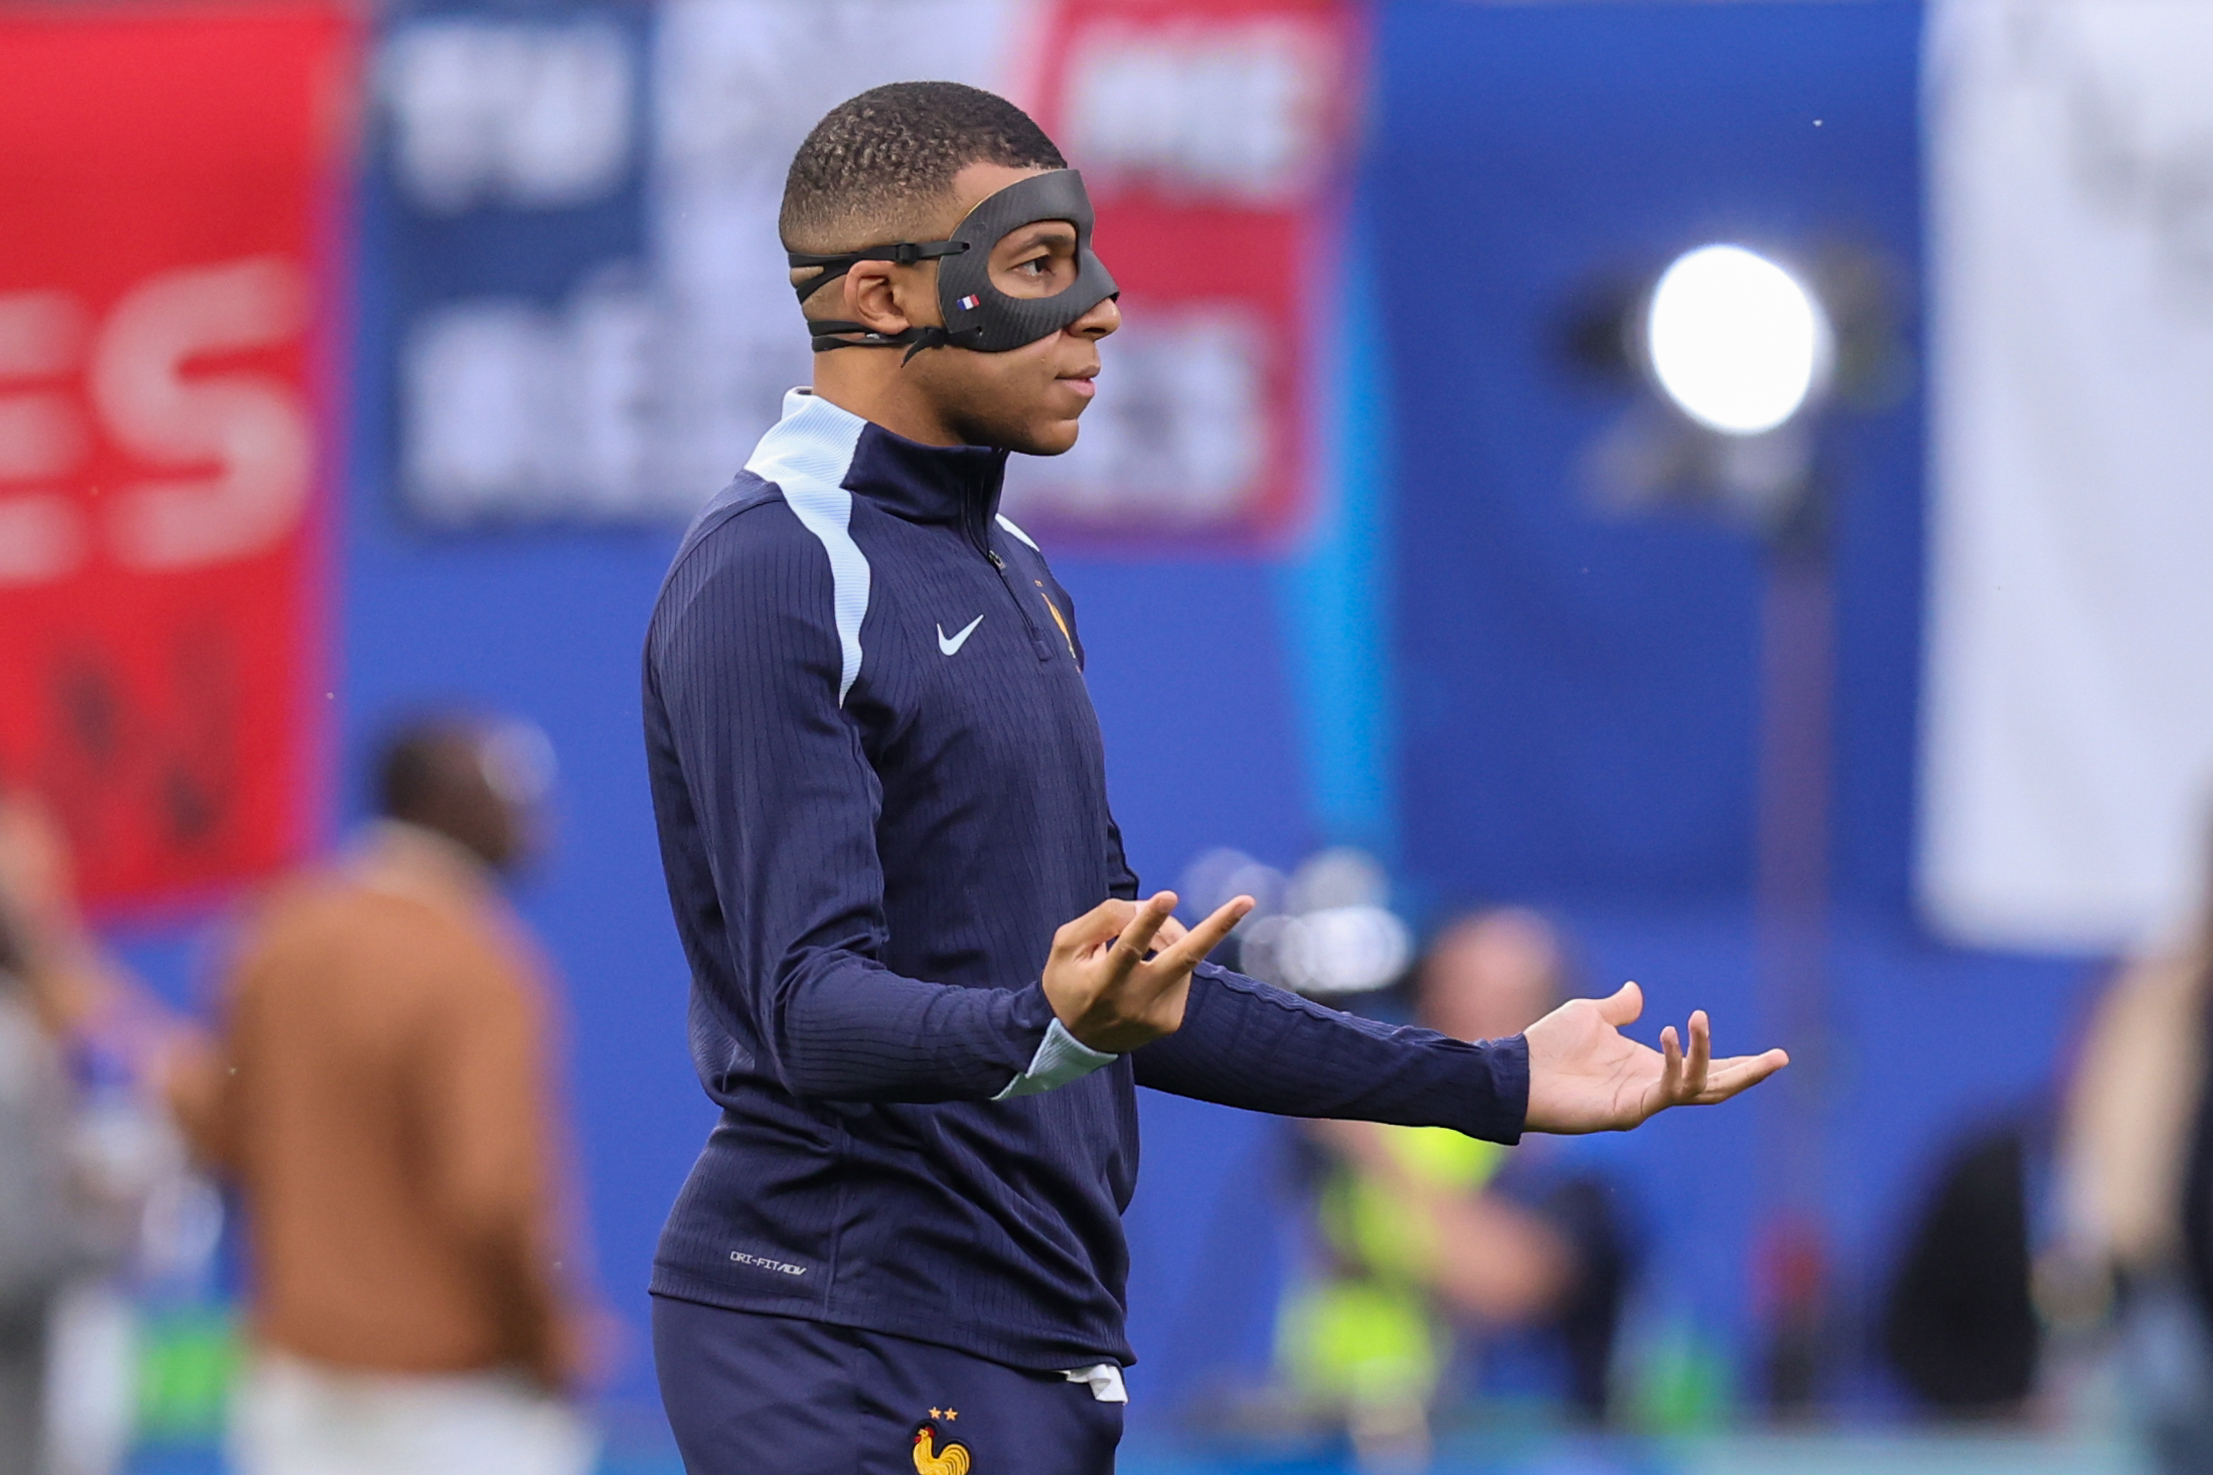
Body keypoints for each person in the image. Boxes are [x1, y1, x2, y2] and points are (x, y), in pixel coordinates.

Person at [640, 81, 1788, 1475]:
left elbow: (1143, 997)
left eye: (1090, 261)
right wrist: (1049, 1023)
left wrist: (1489, 1079)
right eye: (1036, 266)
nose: (1103, 308)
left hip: (1021, 1334)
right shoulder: (773, 566)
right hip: (845, 1331)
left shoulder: (1016, 577)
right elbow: (808, 1007)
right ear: (879, 296)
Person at [162, 719, 600, 1475]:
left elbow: (220, 1128)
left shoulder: (276, 936)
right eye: (511, 792)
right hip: (455, 1401)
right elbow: (493, 1193)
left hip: (297, 1385)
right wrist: (549, 1337)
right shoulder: (479, 969)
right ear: (444, 804)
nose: (532, 818)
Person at [1282, 910, 1634, 1461]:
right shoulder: (1412, 1126)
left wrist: (1373, 1150)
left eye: (1475, 994)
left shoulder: (1582, 1147)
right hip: (1376, 1440)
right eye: (1438, 988)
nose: (1445, 1011)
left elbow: (1513, 1284)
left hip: (1535, 1449)